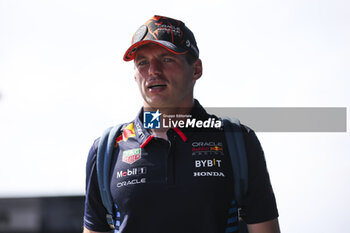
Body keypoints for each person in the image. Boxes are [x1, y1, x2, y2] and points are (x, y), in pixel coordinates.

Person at [83, 15, 280, 233]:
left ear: (196, 69)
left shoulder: (237, 140)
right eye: (143, 63)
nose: (153, 71)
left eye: (167, 59)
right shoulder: (107, 149)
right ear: (135, 75)